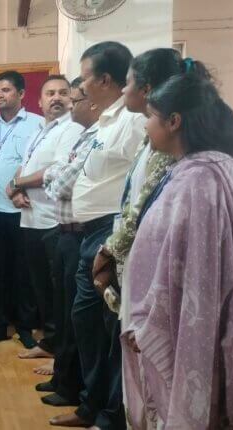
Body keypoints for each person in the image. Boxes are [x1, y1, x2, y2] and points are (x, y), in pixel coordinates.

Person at [122, 73, 233, 429]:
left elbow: (195, 271)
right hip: (176, 318)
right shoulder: (215, 168)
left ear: (174, 121)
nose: (146, 127)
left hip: (180, 327)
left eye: (150, 117)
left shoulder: (200, 179)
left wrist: (148, 324)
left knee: (181, 410)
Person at [50, 41, 145, 430]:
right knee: (85, 322)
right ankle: (91, 405)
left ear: (105, 79)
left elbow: (139, 185)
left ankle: (110, 415)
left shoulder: (133, 121)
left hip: (111, 234)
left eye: (85, 77)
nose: (81, 86)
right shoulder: (107, 121)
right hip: (90, 234)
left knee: (108, 330)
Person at [92, 49, 210, 323]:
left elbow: (143, 208)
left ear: (146, 90)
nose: (124, 90)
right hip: (135, 255)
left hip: (152, 260)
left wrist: (109, 250)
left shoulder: (170, 145)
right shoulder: (152, 136)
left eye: (128, 83)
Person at [9, 75, 85, 365]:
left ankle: (62, 356)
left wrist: (17, 184)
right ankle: (51, 343)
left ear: (71, 99)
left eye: (63, 93)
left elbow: (57, 169)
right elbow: (25, 167)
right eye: (50, 93)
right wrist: (15, 190)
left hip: (56, 222)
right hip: (31, 219)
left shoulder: (72, 128)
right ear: (39, 102)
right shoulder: (40, 131)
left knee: (59, 295)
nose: (56, 98)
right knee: (42, 290)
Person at [39, 78, 102, 409]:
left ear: (93, 101)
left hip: (82, 234)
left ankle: (71, 387)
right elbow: (55, 174)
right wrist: (53, 174)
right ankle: (61, 378)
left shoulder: (96, 136)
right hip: (64, 231)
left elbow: (60, 183)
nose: (67, 103)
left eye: (72, 98)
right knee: (63, 311)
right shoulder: (79, 134)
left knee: (76, 315)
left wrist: (53, 175)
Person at [0, 70, 45, 347]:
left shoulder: (37, 124)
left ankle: (25, 327)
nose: (0, 95)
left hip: (21, 210)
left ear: (21, 93)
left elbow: (40, 164)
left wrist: (21, 189)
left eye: (6, 90)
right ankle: (0, 325)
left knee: (23, 272)